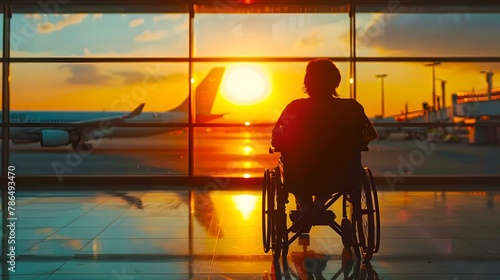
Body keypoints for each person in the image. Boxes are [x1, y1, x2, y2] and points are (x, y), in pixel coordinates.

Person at [271, 58, 377, 212]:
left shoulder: (295, 108)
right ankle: (319, 204)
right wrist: (356, 145)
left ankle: (305, 207)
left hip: (300, 174)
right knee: (336, 169)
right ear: (335, 82)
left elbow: (276, 137)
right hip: (340, 175)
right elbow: (370, 135)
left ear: (307, 83)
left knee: (295, 169)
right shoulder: (351, 108)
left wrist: (283, 144)